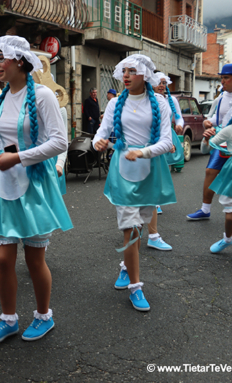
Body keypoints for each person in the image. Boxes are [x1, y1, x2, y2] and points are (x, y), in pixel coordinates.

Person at [0, 36, 72, 344]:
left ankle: (44, 316)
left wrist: (17, 157)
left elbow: (60, 142)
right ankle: (8, 319)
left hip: (34, 185)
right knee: (2, 259)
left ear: (20, 60)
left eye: (1, 58)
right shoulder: (1, 96)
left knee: (34, 259)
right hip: (2, 183)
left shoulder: (43, 95)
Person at [93, 54, 174, 312]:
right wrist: (99, 142)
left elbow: (166, 141)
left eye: (132, 71)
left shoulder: (160, 102)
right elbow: (101, 133)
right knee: (130, 229)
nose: (126, 75)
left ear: (145, 75)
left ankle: (126, 268)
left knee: (139, 229)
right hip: (123, 171)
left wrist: (142, 151)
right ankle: (135, 288)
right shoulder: (116, 103)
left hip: (150, 171)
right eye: (124, 71)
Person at [144, 72, 185, 251]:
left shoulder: (167, 100)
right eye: (158, 83)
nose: (161, 85)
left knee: (160, 176)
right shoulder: (136, 100)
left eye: (163, 83)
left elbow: (177, 116)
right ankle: (135, 229)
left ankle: (152, 233)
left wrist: (179, 125)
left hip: (164, 139)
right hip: (149, 144)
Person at [187, 63, 232, 220]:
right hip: (223, 143)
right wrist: (207, 123)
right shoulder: (221, 98)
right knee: (210, 171)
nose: (222, 81)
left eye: (226, 78)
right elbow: (216, 119)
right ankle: (205, 209)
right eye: (222, 78)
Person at [203, 109, 232, 253]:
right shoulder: (229, 130)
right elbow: (204, 149)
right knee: (229, 216)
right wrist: (206, 139)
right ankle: (227, 239)